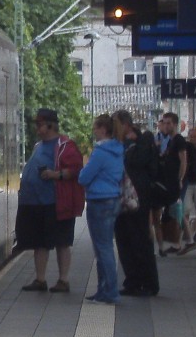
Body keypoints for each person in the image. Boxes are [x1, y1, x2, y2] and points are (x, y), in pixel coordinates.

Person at [18, 108, 84, 293]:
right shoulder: (38, 146)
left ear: (50, 125)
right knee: (40, 242)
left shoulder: (65, 145)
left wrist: (55, 174)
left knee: (62, 242)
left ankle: (63, 280)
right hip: (35, 203)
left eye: (39, 124)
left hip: (56, 203)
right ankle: (40, 279)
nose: (37, 128)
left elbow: (76, 170)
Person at [112, 109, 160, 296]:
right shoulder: (115, 143)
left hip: (139, 199)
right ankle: (132, 281)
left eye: (116, 124)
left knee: (140, 239)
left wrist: (131, 143)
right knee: (123, 240)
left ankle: (149, 283)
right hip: (120, 198)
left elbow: (138, 162)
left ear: (127, 124)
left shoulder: (144, 139)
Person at [79, 114, 125, 304]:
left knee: (103, 248)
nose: (94, 131)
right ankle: (103, 290)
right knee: (103, 246)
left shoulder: (100, 152)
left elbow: (83, 178)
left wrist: (85, 168)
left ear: (104, 130)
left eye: (96, 128)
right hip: (113, 198)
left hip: (99, 200)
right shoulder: (118, 150)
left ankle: (110, 291)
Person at [153, 112, 187, 256]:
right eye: (164, 123)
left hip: (172, 183)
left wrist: (180, 179)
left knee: (174, 211)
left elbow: (184, 161)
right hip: (167, 182)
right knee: (174, 211)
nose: (165, 126)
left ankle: (186, 240)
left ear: (175, 124)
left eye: (168, 123)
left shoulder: (178, 139)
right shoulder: (171, 140)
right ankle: (179, 242)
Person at [179, 127, 196, 251]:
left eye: (195, 136)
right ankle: (187, 234)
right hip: (188, 182)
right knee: (185, 208)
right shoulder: (186, 148)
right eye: (191, 136)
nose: (192, 139)